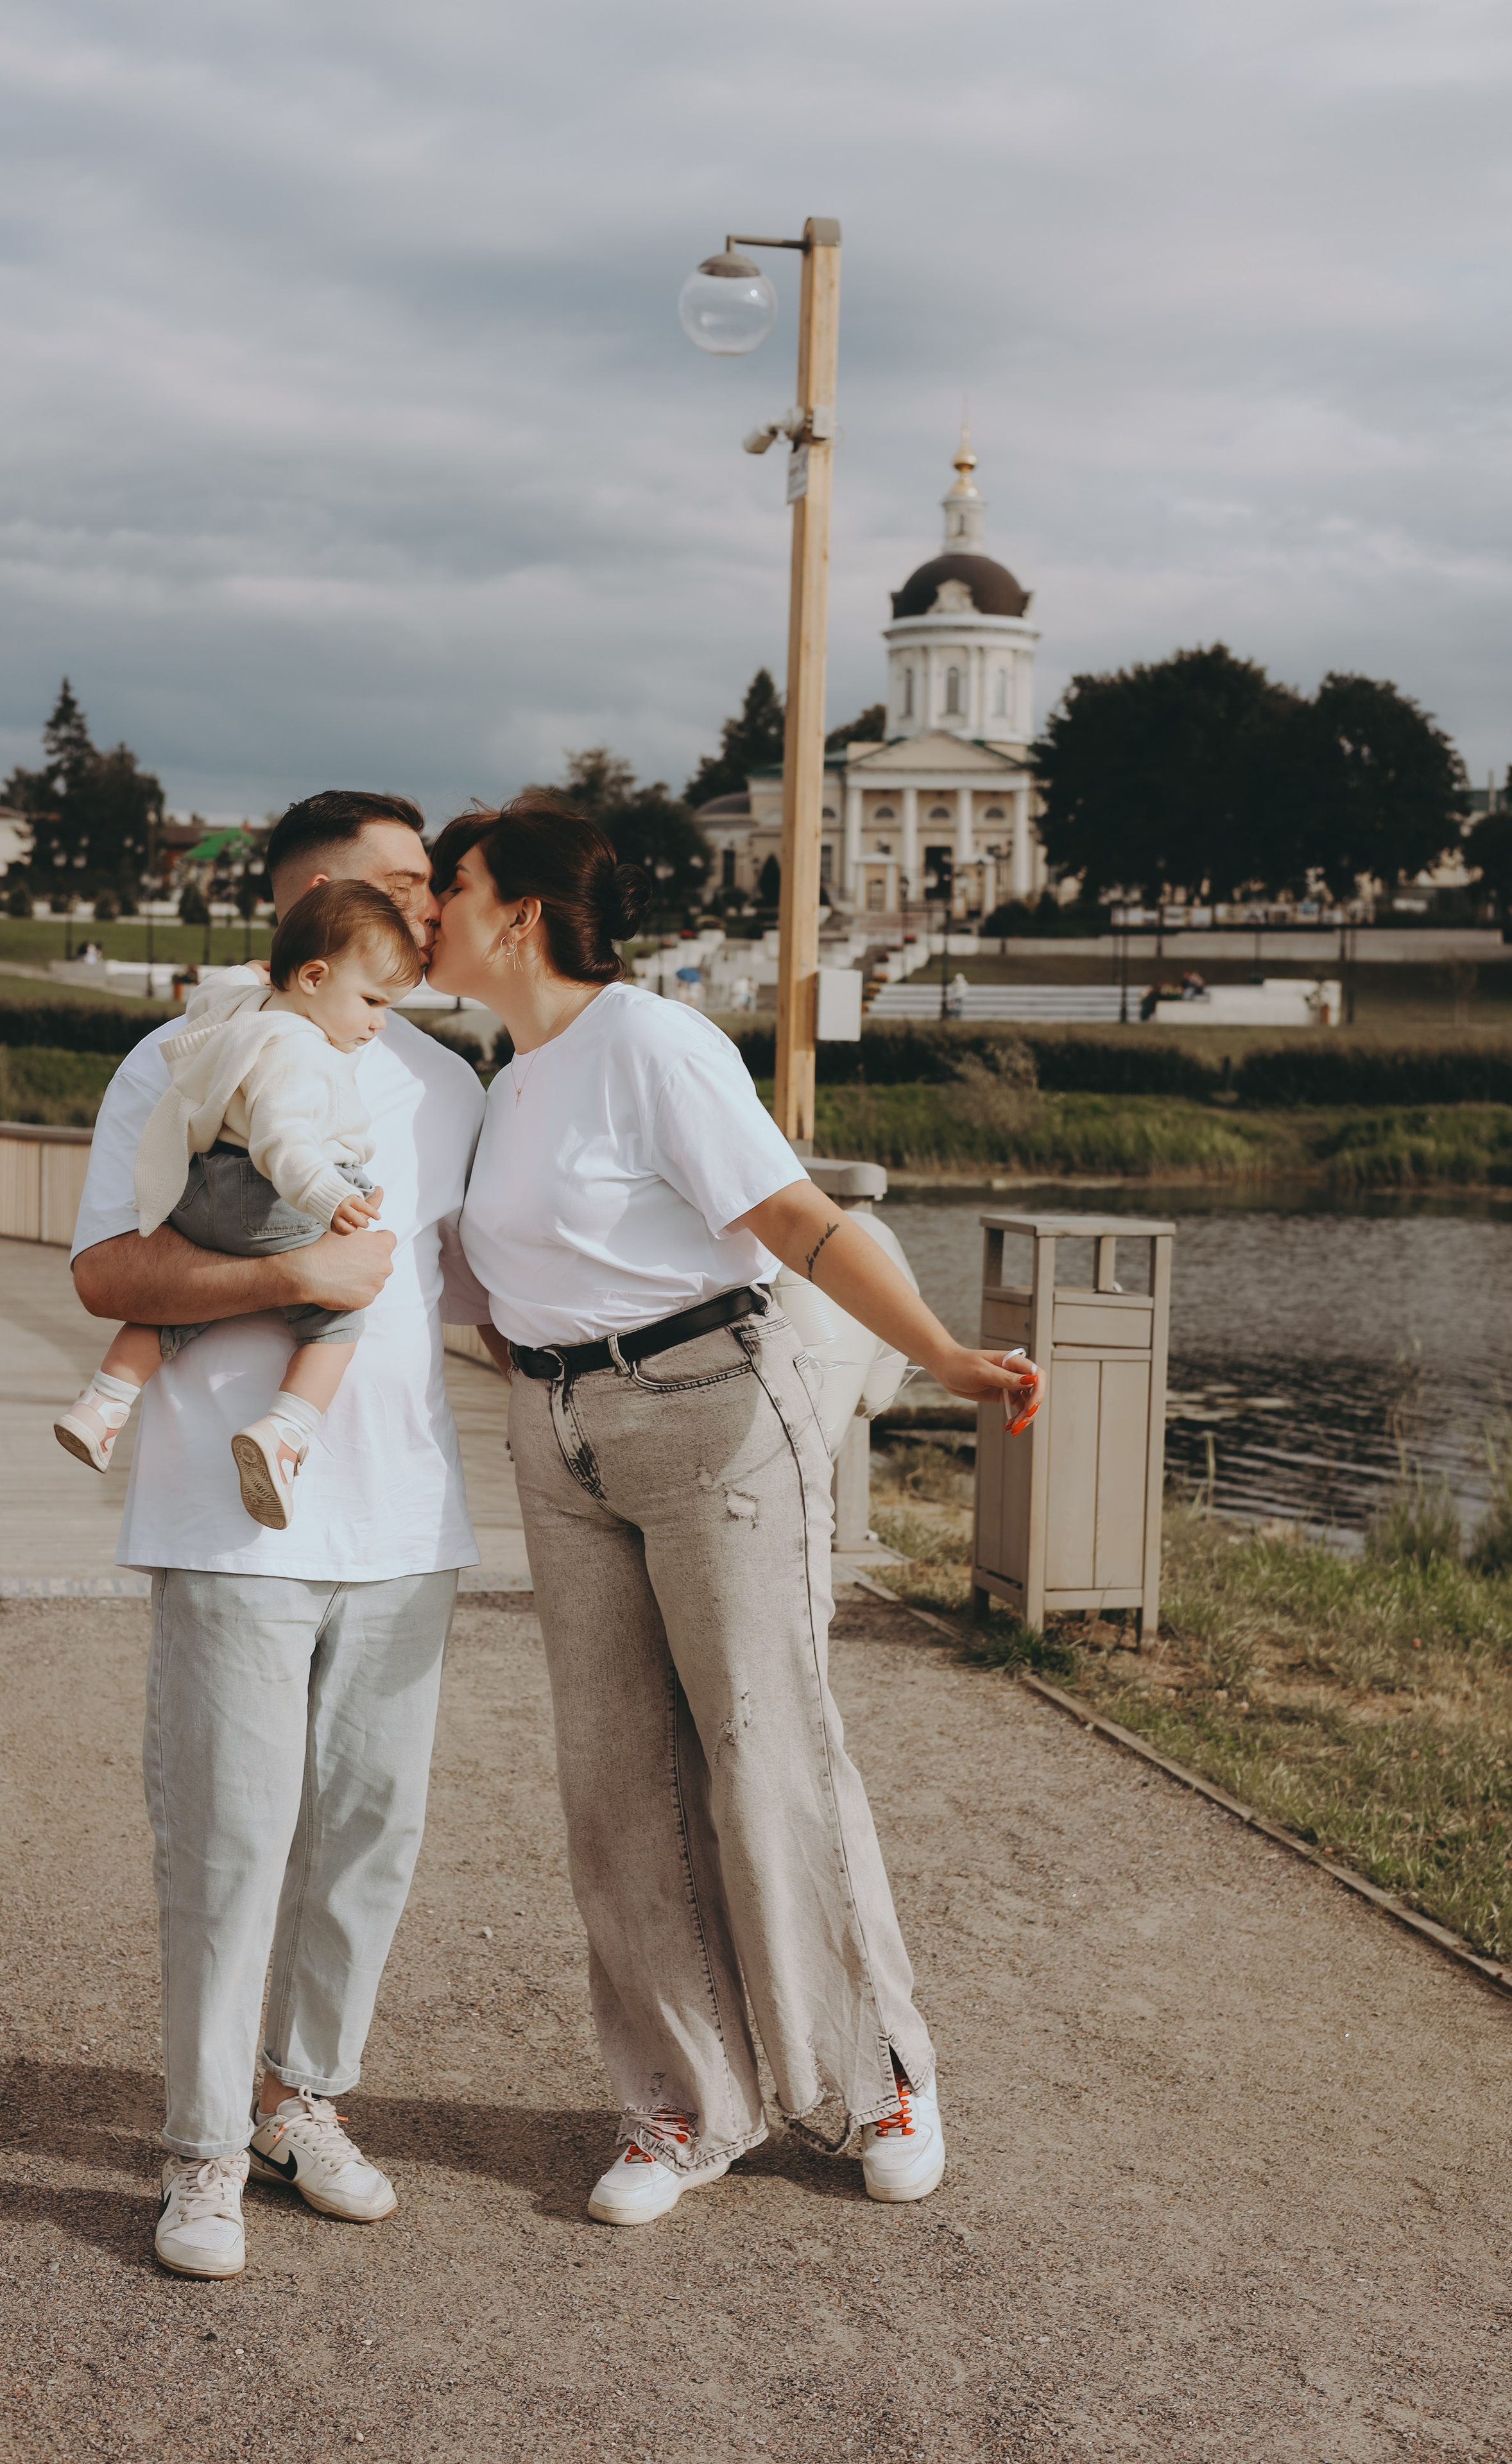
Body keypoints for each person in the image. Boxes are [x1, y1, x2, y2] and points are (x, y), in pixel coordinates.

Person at [425, 796, 1038, 2228]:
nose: (424, 914)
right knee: (616, 1782)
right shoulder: (505, 1077)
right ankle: (687, 2105)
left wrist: (944, 1357)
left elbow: (796, 1219)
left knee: (764, 1750)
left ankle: (876, 2075)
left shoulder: (649, 1040)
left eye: (445, 890)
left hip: (707, 1411)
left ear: (518, 912)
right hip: (557, 1435)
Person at [69, 791, 487, 2281]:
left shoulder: (446, 1081)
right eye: (399, 882)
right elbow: (109, 1266)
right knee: (232, 1843)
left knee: (370, 1836)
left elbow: (475, 1293)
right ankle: (197, 2155)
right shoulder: (181, 1054)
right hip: (230, 1517)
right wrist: (301, 1266)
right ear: (313, 899)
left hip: (406, 1516)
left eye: (431, 885)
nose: (427, 907)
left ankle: (296, 2102)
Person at [54, 880, 423, 1530]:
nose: (377, 1022)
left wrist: (251, 972)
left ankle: (104, 1403)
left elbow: (211, 991)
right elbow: (286, 1140)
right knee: (336, 1321)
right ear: (313, 976)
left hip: (204, 1194)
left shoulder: (245, 1006)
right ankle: (286, 1430)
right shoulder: (301, 1049)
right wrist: (331, 1197)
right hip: (275, 1199)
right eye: (370, 1001)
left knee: (180, 1311)